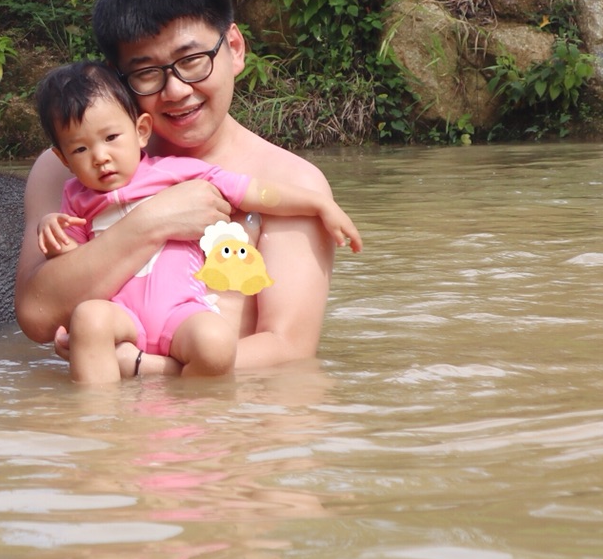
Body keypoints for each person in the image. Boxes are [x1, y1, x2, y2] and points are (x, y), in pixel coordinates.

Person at [16, 0, 344, 375]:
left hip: (220, 421)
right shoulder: (64, 169)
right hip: (109, 424)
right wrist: (152, 221)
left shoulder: (291, 183)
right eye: (147, 72)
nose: (176, 89)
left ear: (235, 49)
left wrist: (143, 367)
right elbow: (36, 315)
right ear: (119, 80)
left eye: (192, 61)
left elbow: (290, 350)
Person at [29, 61, 360, 382]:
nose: (100, 156)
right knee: (88, 318)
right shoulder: (75, 198)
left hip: (179, 311)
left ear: (141, 131)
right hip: (122, 316)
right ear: (64, 159)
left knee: (215, 342)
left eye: (111, 138)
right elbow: (73, 266)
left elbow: (252, 191)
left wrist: (319, 203)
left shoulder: (175, 171)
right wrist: (53, 232)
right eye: (82, 148)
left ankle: (199, 420)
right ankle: (98, 424)